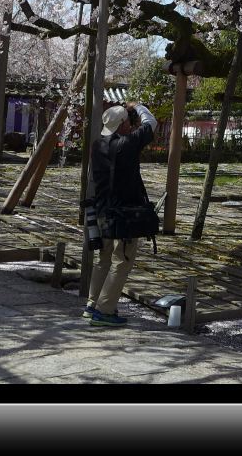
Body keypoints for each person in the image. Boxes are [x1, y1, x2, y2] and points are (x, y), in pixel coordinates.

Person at [83, 100, 157, 326]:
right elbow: (151, 123)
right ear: (123, 124)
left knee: (103, 260)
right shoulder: (127, 144)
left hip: (103, 209)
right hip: (124, 213)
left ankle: (91, 304)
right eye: (128, 120)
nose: (131, 125)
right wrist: (138, 106)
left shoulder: (98, 145)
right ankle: (104, 311)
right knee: (121, 261)